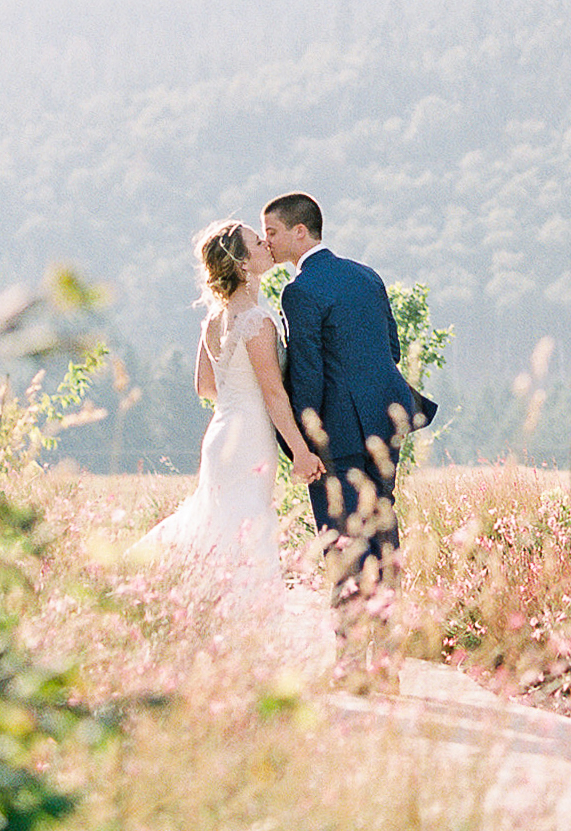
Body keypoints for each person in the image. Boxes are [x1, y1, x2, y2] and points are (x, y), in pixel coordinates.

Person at [124, 220, 325, 592]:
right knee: (246, 530)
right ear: (243, 264)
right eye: (256, 241)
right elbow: (273, 394)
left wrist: (237, 399)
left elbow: (205, 386)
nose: (266, 243)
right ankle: (244, 617)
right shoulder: (257, 320)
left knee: (222, 526)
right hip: (249, 438)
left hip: (221, 433)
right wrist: (301, 451)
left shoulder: (214, 320)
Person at [262, 191, 435, 600]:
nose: (266, 240)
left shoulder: (299, 290)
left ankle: (351, 644)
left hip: (337, 432)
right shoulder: (366, 274)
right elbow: (391, 349)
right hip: (386, 420)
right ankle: (387, 629)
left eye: (272, 231)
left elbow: (308, 373)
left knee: (340, 535)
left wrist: (304, 443)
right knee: (382, 523)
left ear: (299, 232)